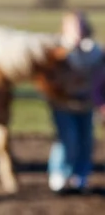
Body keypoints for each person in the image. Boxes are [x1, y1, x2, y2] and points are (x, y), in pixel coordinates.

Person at [47, 10, 105, 194]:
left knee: (86, 140)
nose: (77, 30)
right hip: (63, 104)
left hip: (86, 104)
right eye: (73, 26)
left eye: (80, 25)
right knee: (67, 139)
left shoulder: (95, 53)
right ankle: (59, 173)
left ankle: (80, 175)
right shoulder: (58, 53)